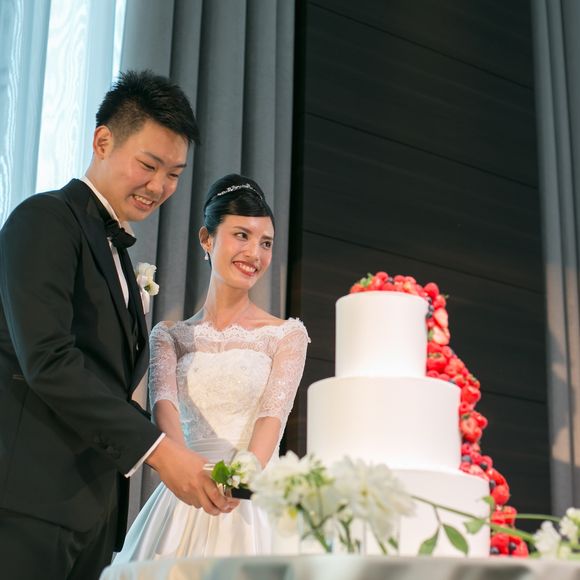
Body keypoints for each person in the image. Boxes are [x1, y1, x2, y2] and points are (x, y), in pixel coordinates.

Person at [0, 70, 237, 580]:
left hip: (90, 515)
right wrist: (160, 452)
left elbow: (106, 379)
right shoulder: (44, 219)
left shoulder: (119, 256)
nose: (159, 187)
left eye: (174, 174)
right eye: (148, 165)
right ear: (103, 141)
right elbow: (48, 361)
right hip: (25, 506)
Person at [113, 174, 309, 561]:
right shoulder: (169, 336)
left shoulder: (286, 336)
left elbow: (272, 416)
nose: (255, 254)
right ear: (207, 238)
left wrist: (241, 480)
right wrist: (190, 477)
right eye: (241, 235)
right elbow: (165, 412)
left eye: (266, 242)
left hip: (252, 500)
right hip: (185, 489)